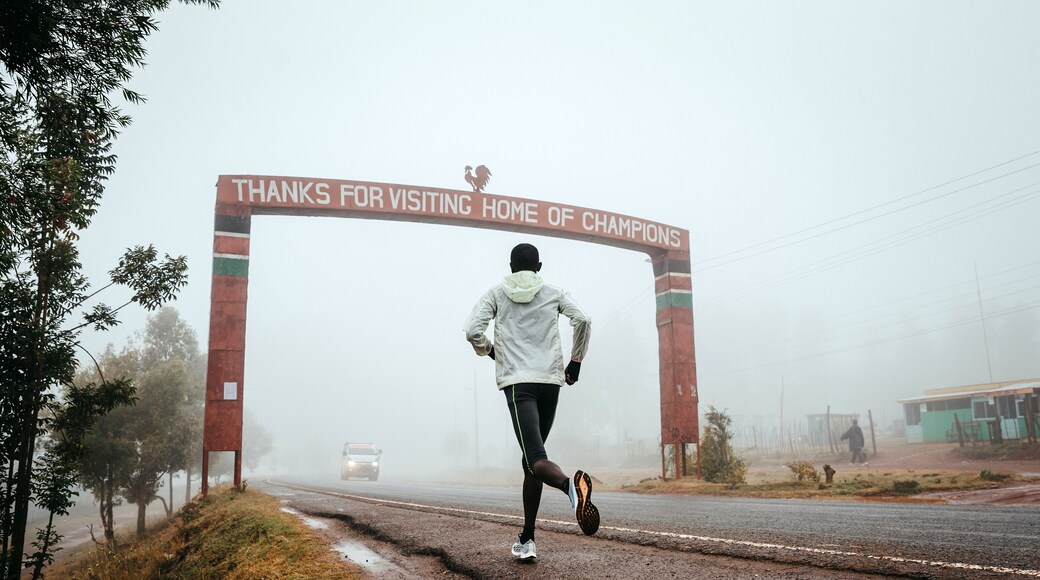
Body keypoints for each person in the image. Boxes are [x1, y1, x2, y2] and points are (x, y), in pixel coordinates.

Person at [464, 242, 597, 561]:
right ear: (538, 267)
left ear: (511, 268)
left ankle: (569, 487)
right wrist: (575, 361)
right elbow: (583, 320)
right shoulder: (554, 292)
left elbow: (472, 331)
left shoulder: (496, 294)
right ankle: (527, 539)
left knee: (536, 457)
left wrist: (493, 351)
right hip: (551, 382)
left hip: (519, 385)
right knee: (531, 463)